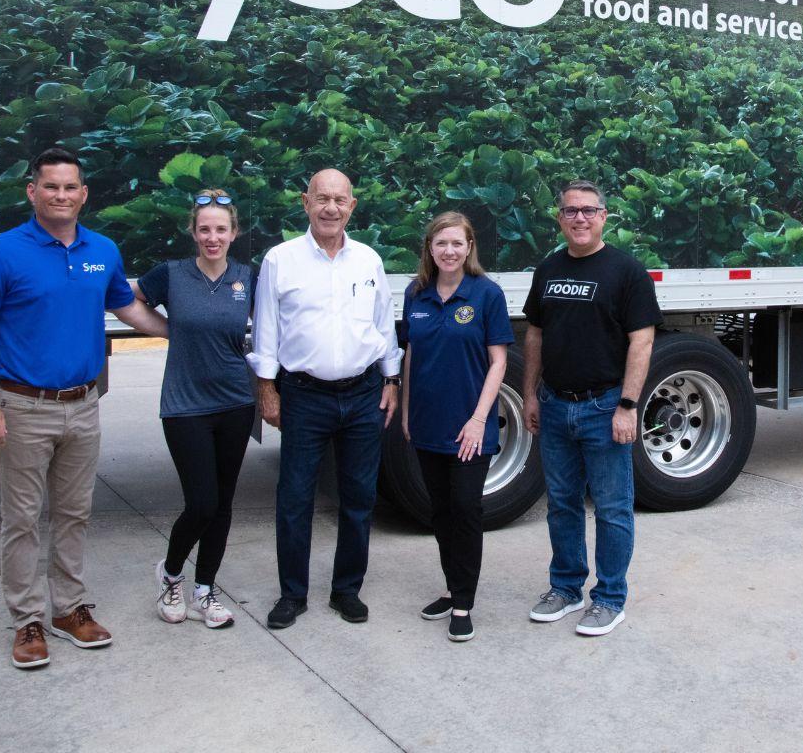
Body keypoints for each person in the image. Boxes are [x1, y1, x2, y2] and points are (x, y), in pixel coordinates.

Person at [0, 147, 168, 669]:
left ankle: (69, 608)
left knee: (75, 513)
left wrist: (186, 332)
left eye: (70, 187)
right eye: (50, 187)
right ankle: (27, 619)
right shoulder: (0, 253)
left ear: (83, 194)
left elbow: (127, 306)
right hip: (21, 406)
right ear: (32, 191)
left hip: (84, 406)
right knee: (21, 520)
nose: (61, 195)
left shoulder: (101, 249)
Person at [247, 169, 400, 630]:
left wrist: (391, 379)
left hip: (362, 394)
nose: (331, 208)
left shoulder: (368, 260)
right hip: (303, 396)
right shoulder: (281, 260)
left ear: (352, 206)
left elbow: (383, 324)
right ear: (305, 203)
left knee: (359, 497)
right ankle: (292, 594)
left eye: (340, 200)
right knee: (294, 498)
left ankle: (346, 590)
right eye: (322, 199)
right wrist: (266, 388)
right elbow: (266, 328)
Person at [522, 179, 660, 636]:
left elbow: (642, 341)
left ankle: (609, 598)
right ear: (559, 218)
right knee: (561, 503)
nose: (579, 218)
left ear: (604, 216)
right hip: (556, 406)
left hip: (604, 407)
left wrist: (627, 406)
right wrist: (528, 394)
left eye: (588, 210)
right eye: (570, 211)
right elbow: (536, 336)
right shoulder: (548, 270)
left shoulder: (626, 272)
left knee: (612, 508)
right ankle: (564, 589)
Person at [132, 189, 256, 630]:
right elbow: (128, 301)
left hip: (236, 404)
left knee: (222, 504)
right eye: (204, 229)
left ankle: (205, 589)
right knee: (201, 502)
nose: (212, 237)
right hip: (185, 407)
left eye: (221, 229)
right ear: (193, 231)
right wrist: (171, 331)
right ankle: (170, 574)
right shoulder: (172, 274)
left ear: (233, 233)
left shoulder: (247, 277)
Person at [400, 211, 513, 643]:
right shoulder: (417, 294)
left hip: (471, 428)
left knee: (465, 511)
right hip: (428, 424)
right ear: (430, 248)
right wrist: (408, 413)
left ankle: (463, 602)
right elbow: (411, 355)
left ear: (469, 248)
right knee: (441, 513)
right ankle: (451, 588)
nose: (449, 251)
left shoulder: (486, 295)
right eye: (441, 243)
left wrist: (478, 419)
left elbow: (499, 361)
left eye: (457, 244)